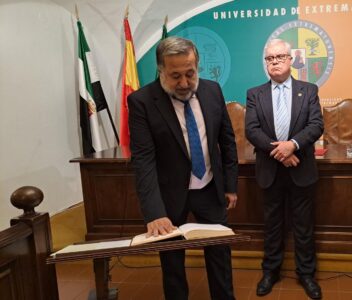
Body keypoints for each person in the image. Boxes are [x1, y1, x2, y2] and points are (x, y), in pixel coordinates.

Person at [128, 37, 238, 300]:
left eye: (190, 73)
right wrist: (154, 212)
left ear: (197, 65)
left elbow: (227, 141)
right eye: (175, 76)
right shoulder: (142, 102)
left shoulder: (212, 90)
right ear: (160, 71)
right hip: (169, 195)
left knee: (220, 254)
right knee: (172, 261)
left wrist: (231, 186)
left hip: (209, 188)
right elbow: (143, 160)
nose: (185, 83)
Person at [245, 38, 324, 299]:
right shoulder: (254, 93)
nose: (275, 62)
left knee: (303, 226)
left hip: (301, 169)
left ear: (291, 60)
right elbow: (252, 130)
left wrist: (292, 145)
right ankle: (270, 272)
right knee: (272, 225)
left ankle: (306, 275)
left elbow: (315, 125)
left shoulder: (309, 89)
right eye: (269, 58)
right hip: (270, 171)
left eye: (280, 57)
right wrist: (281, 153)